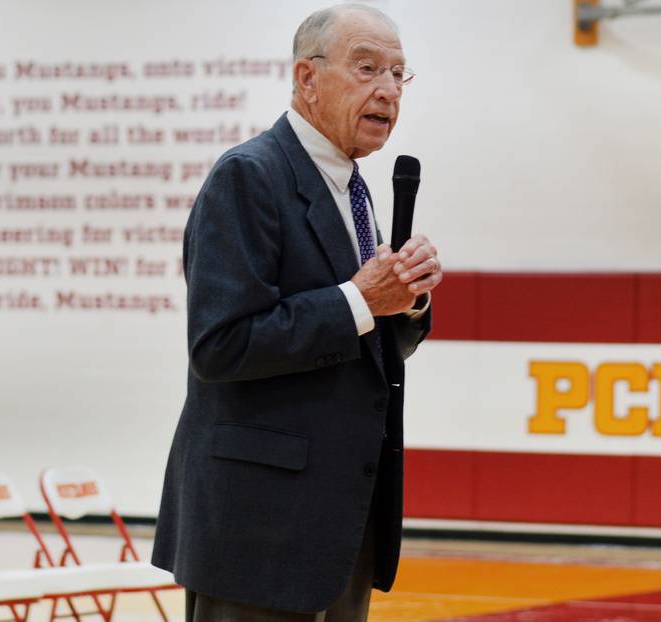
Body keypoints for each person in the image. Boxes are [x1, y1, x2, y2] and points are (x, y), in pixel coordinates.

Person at [152, 4, 443, 621]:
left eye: (398, 74)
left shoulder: (353, 187)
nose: (388, 90)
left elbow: (358, 342)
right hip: (258, 531)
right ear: (307, 79)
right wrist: (363, 299)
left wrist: (406, 304)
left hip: (338, 526)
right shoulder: (249, 177)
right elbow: (221, 346)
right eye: (367, 69)